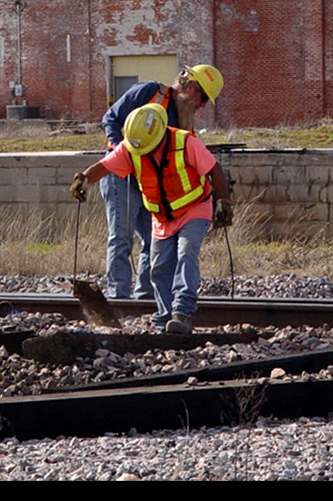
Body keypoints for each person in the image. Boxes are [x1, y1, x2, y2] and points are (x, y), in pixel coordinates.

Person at [71, 103, 234, 334]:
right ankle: (167, 319)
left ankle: (182, 312)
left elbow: (214, 170)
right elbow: (105, 166)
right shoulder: (132, 147)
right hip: (162, 218)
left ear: (158, 135)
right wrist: (84, 179)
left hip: (194, 208)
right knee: (158, 269)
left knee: (186, 254)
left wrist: (224, 201)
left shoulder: (185, 142)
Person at [99, 64, 225, 300]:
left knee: (153, 240)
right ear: (189, 86)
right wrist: (122, 153)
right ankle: (119, 298)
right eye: (203, 97)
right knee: (121, 238)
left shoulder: (185, 123)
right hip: (122, 178)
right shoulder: (149, 92)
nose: (202, 105)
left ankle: (146, 298)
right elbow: (111, 119)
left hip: (151, 187)